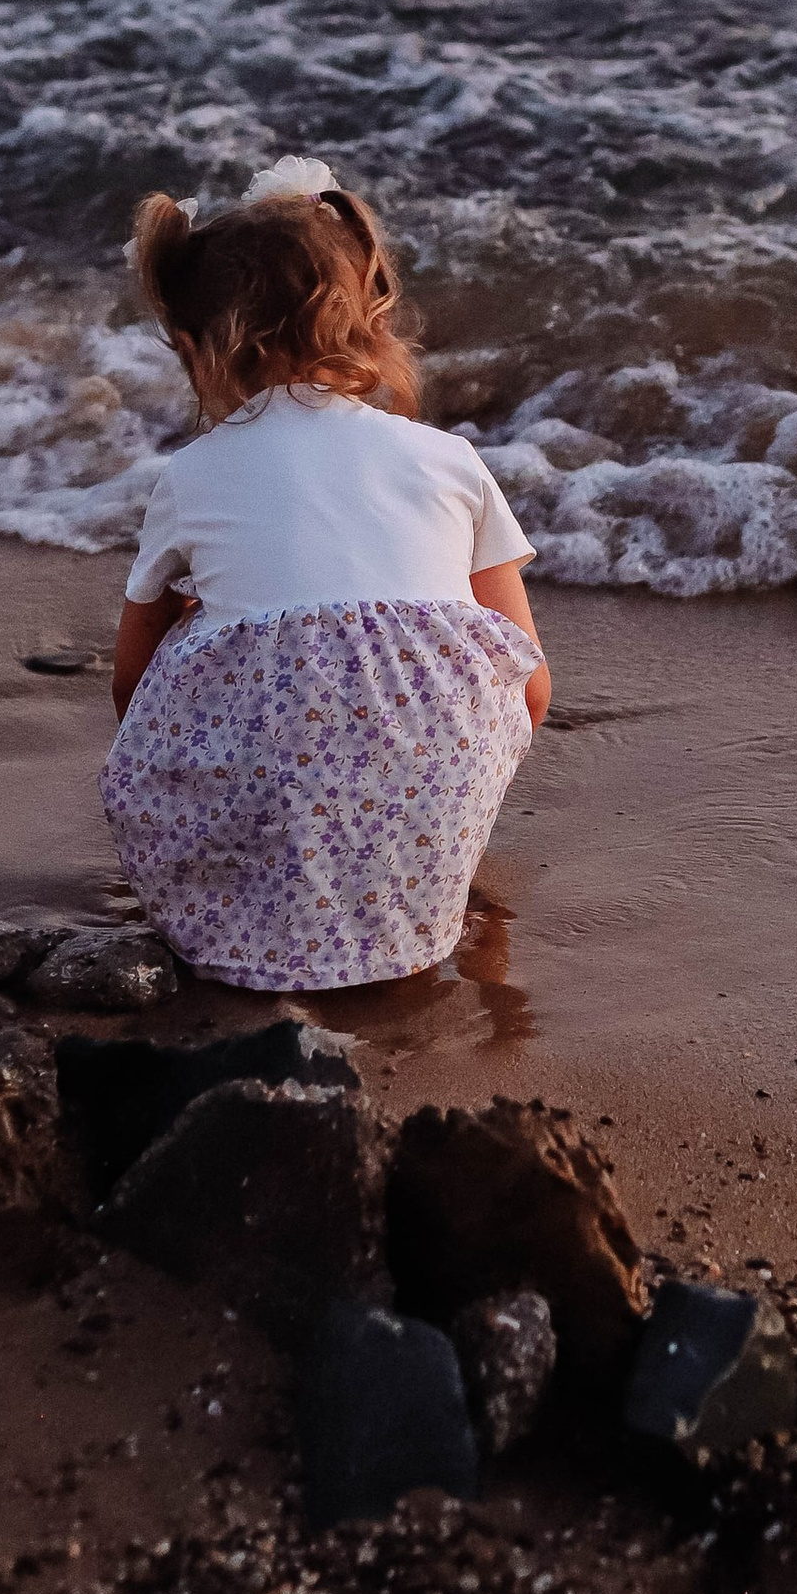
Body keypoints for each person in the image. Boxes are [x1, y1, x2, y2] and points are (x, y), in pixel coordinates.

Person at [102, 155, 547, 992]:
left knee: (205, 638)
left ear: (200, 347)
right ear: (371, 318)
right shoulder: (449, 458)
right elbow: (529, 681)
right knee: (458, 683)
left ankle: (256, 900)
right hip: (436, 778)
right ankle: (410, 864)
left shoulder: (192, 474)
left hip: (258, 802)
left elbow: (132, 680)